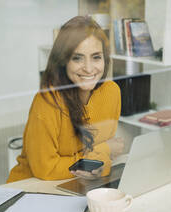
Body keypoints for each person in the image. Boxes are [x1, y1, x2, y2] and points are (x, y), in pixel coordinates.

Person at [7, 16, 124, 183]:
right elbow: (47, 169)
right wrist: (104, 151)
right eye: (77, 58)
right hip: (34, 187)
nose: (89, 68)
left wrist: (99, 157)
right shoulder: (47, 101)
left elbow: (101, 156)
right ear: (63, 61)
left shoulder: (112, 92)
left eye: (96, 57)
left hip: (78, 183)